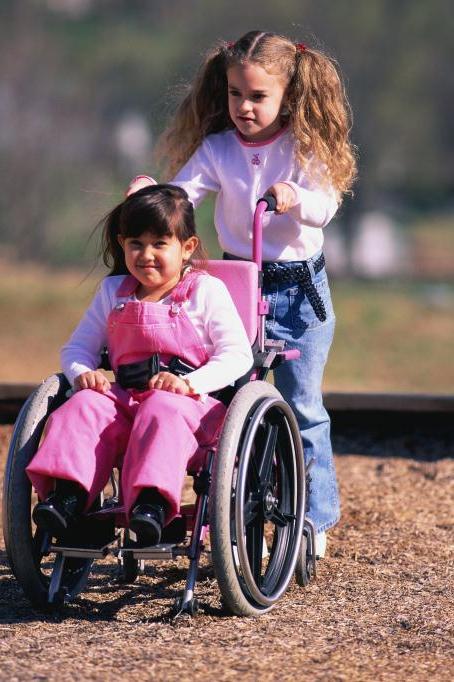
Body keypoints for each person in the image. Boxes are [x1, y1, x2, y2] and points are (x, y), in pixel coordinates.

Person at [127, 30, 357, 557]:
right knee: (226, 399)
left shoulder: (302, 148)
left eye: (257, 97)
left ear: (287, 98)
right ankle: (227, 507)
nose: (244, 107)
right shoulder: (217, 150)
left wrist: (294, 195)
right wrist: (152, 195)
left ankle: (312, 521)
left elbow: (324, 206)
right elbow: (183, 195)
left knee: (301, 404)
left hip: (298, 288)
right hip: (235, 282)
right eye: (236, 95)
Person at [27, 184, 253, 546]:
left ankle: (153, 506)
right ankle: (67, 498)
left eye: (159, 244)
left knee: (162, 408)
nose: (146, 254)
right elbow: (77, 348)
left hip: (190, 407)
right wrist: (82, 373)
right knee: (83, 405)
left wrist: (190, 383)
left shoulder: (205, 291)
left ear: (187, 248)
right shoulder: (113, 292)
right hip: (126, 400)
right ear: (122, 244)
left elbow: (237, 355)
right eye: (136, 244)